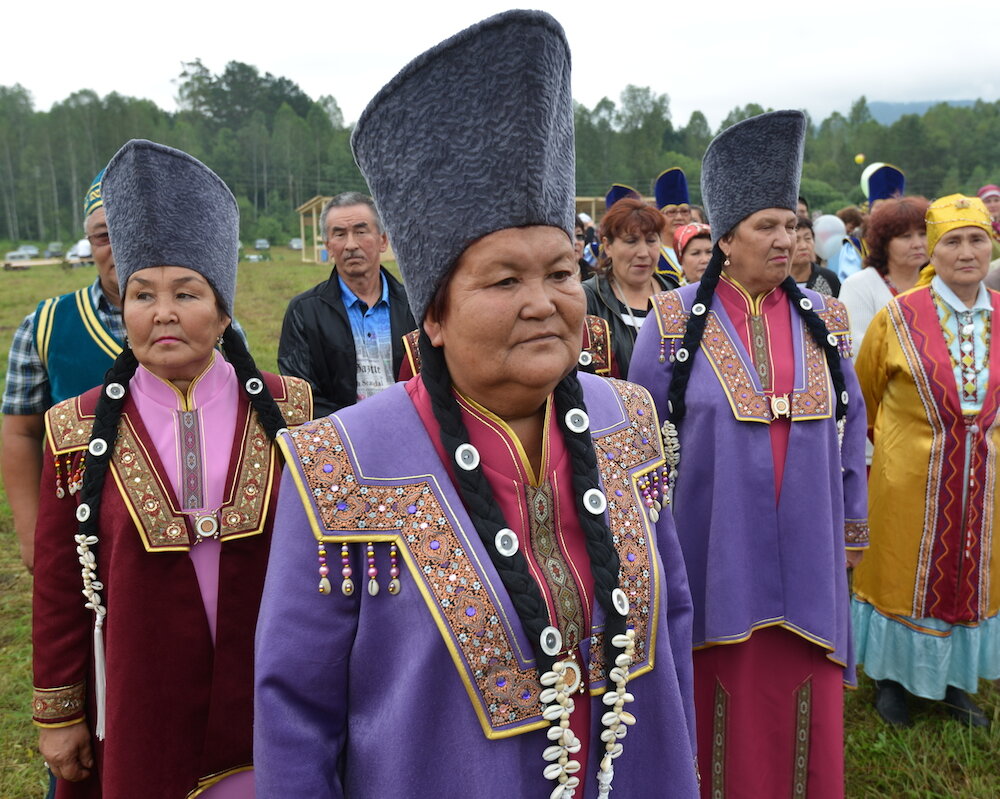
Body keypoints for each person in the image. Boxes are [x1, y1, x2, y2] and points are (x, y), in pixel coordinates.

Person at [254, 11, 700, 798]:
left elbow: (674, 628)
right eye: (503, 280)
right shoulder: (336, 463)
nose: (544, 302)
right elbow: (296, 708)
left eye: (561, 272)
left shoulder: (630, 423)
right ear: (433, 311)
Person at [31, 140, 312, 798]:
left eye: (186, 292)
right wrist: (60, 712)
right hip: (138, 701)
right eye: (142, 294)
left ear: (222, 310)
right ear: (122, 307)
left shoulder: (292, 413)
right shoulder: (74, 431)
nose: (162, 312)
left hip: (267, 691)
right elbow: (58, 586)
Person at [629, 110, 868, 798]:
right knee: (718, 700)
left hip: (812, 558)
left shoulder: (826, 320)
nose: (787, 240)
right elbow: (640, 445)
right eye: (768, 226)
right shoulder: (671, 324)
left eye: (793, 225)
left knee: (803, 699)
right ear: (725, 237)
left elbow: (852, 428)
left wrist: (853, 526)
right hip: (712, 556)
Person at [852, 194, 1000, 729]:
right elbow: (865, 393)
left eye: (977, 239)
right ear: (933, 252)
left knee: (971, 575)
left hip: (983, 482)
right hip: (907, 481)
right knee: (901, 575)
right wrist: (906, 451)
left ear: (992, 244)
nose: (967, 252)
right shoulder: (897, 316)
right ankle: (892, 681)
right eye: (952, 241)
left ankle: (955, 685)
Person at [2, 172, 121, 572]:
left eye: (131, 229)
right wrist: (32, 533)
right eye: (104, 235)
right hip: (79, 536)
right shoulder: (44, 325)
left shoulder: (209, 320)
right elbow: (20, 432)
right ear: (89, 243)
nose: (119, 246)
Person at [278, 192, 415, 416]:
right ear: (329, 246)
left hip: (411, 433)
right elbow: (301, 396)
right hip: (343, 440)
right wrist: (354, 428)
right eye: (340, 234)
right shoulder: (304, 312)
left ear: (383, 240)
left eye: (361, 232)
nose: (351, 244)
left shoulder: (415, 307)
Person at [582, 198, 677, 376]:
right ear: (608, 246)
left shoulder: (676, 295)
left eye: (651, 241)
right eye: (631, 241)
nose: (643, 253)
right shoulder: (589, 299)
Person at [839, 196, 929, 354]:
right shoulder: (859, 285)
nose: (917, 244)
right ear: (884, 243)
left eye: (923, 234)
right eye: (905, 236)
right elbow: (857, 351)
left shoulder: (936, 283)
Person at [654, 167, 692, 282]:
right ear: (659, 216)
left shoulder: (703, 250)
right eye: (671, 212)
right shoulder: (653, 255)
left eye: (684, 211)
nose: (679, 217)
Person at [791, 216, 841, 296]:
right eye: (797, 240)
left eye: (808, 238)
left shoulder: (829, 278)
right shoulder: (776, 282)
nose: (804, 246)